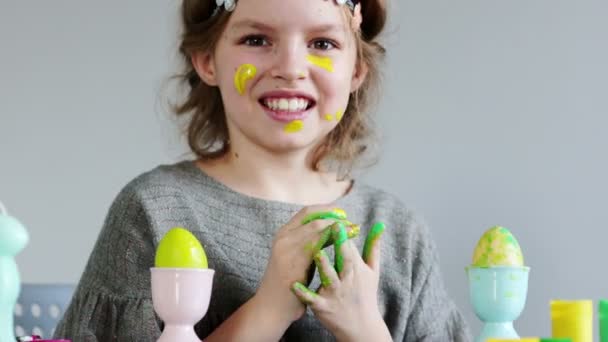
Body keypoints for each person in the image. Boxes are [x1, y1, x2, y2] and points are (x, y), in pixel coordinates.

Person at [54, 0, 471, 340]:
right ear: (206, 60)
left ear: (356, 70)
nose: (290, 67)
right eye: (257, 39)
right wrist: (268, 308)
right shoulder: (153, 211)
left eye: (322, 43)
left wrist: (367, 332)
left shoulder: (399, 233)